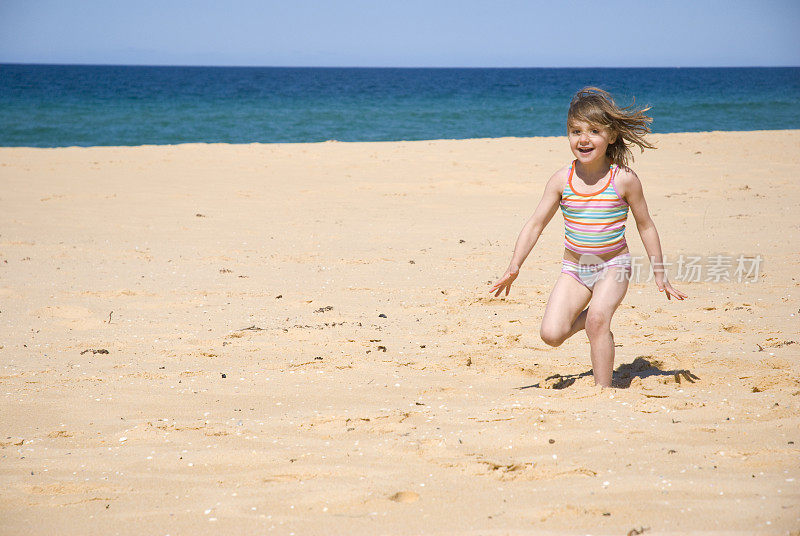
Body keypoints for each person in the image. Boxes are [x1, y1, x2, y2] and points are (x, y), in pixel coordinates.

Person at [489, 87, 687, 387]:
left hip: (613, 267)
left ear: (610, 135)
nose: (583, 139)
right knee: (552, 334)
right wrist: (515, 265)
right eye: (575, 131)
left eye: (594, 131)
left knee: (597, 321)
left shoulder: (624, 179)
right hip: (575, 270)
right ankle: (593, 319)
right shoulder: (561, 180)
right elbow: (535, 224)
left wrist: (661, 274)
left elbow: (645, 225)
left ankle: (603, 391)